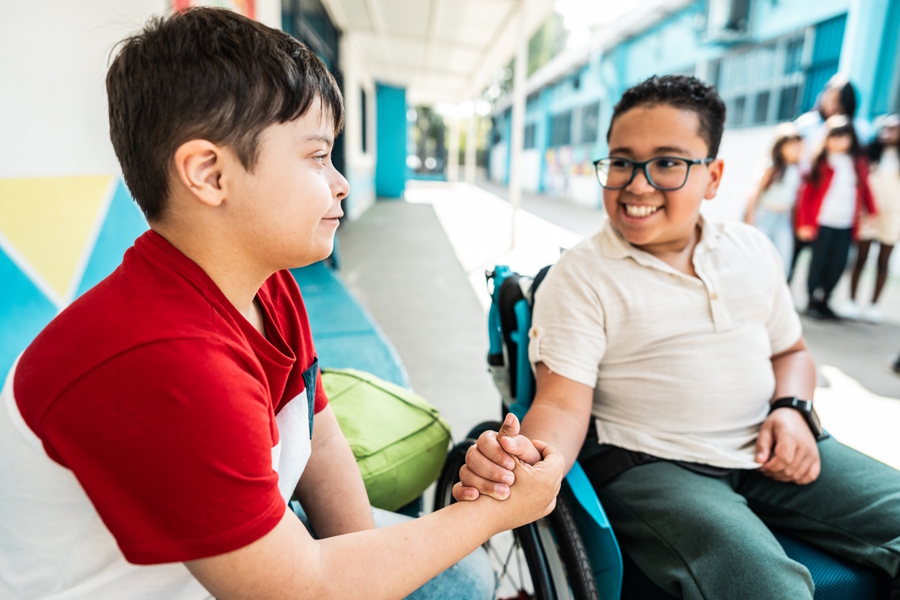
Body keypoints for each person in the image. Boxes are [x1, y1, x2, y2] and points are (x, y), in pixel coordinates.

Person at [0, 9, 564, 599]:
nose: (341, 181)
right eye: (318, 156)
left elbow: (320, 440)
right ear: (209, 175)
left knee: (454, 580)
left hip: (234, 566)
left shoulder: (266, 285)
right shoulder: (167, 358)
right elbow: (297, 590)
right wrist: (493, 513)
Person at [454, 75, 900, 600]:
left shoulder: (751, 249)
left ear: (712, 177)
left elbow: (792, 352)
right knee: (765, 587)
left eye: (667, 163)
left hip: (766, 446)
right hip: (653, 464)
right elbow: (563, 404)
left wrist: (793, 407)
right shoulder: (583, 274)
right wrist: (531, 460)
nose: (637, 184)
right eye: (621, 161)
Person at [796, 115, 877, 320]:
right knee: (818, 262)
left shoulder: (857, 163)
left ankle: (825, 299)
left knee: (839, 264)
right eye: (835, 136)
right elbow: (806, 195)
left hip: (846, 223)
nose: (839, 141)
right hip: (823, 221)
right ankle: (812, 299)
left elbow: (865, 189)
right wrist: (804, 223)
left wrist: (872, 211)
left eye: (844, 137)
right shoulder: (820, 163)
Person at [790, 75, 869, 281]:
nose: (832, 103)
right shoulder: (806, 124)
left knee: (829, 257)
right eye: (829, 97)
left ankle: (819, 300)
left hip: (833, 206)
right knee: (793, 248)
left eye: (838, 99)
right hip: (802, 196)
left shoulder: (858, 129)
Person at [846, 114, 900, 322]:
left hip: (893, 216)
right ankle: (851, 300)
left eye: (894, 129)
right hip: (868, 213)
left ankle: (874, 305)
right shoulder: (869, 156)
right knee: (860, 258)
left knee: (884, 262)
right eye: (885, 129)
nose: (888, 134)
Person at [744, 123, 804, 271]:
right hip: (765, 216)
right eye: (791, 145)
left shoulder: (797, 169)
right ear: (780, 146)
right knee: (758, 259)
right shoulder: (771, 167)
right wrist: (750, 222)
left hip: (783, 218)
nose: (795, 149)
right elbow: (753, 196)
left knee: (783, 262)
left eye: (798, 146)